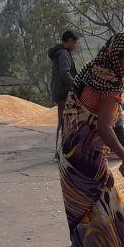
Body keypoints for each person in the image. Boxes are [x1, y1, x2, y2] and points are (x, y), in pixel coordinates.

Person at [58, 32, 124, 247]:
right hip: (84, 151)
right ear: (116, 57)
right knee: (102, 198)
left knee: (93, 202)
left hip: (71, 148)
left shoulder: (94, 70)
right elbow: (104, 128)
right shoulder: (108, 83)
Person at [48, 31, 79, 160]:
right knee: (64, 122)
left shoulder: (61, 52)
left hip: (62, 92)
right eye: (75, 43)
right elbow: (65, 73)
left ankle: (64, 151)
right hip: (64, 93)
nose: (75, 46)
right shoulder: (63, 53)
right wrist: (76, 84)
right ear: (70, 40)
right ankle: (60, 153)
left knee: (65, 122)